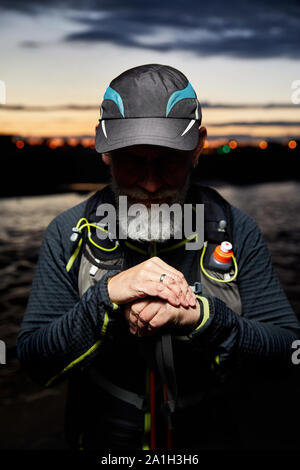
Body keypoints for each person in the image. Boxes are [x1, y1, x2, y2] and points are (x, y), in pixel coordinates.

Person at [17, 64, 300, 451]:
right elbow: (34, 361)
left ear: (198, 147)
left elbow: (289, 352)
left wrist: (204, 319)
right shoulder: (68, 232)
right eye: (132, 160)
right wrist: (107, 298)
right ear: (105, 150)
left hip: (210, 436)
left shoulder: (236, 229)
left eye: (168, 160)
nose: (150, 184)